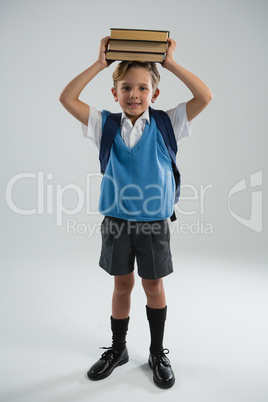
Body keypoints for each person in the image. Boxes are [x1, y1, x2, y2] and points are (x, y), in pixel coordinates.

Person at [59, 36, 212, 389]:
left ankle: (157, 353)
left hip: (154, 223)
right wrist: (100, 63)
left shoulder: (167, 123)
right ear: (114, 92)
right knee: (121, 284)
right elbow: (67, 98)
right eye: (126, 87)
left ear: (154, 94)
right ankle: (118, 349)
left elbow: (205, 97)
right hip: (115, 221)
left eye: (142, 88)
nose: (134, 94)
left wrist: (170, 63)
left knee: (153, 285)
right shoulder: (104, 125)